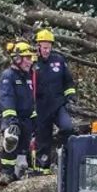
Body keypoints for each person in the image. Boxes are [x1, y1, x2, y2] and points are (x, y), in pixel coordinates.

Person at [32, 28, 76, 173]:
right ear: (38, 46)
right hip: (40, 107)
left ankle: (63, 155)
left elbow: (68, 81)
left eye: (49, 48)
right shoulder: (32, 64)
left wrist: (70, 96)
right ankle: (42, 169)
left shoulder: (58, 60)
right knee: (43, 139)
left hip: (58, 104)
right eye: (44, 48)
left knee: (67, 128)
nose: (46, 51)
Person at [0, 41, 37, 184]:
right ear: (17, 59)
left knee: (26, 145)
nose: (30, 62)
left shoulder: (27, 76)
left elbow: (30, 99)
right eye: (27, 58)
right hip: (10, 117)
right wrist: (11, 120)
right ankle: (6, 173)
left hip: (26, 117)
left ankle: (20, 173)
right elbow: (7, 98)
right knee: (12, 137)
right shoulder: (8, 76)